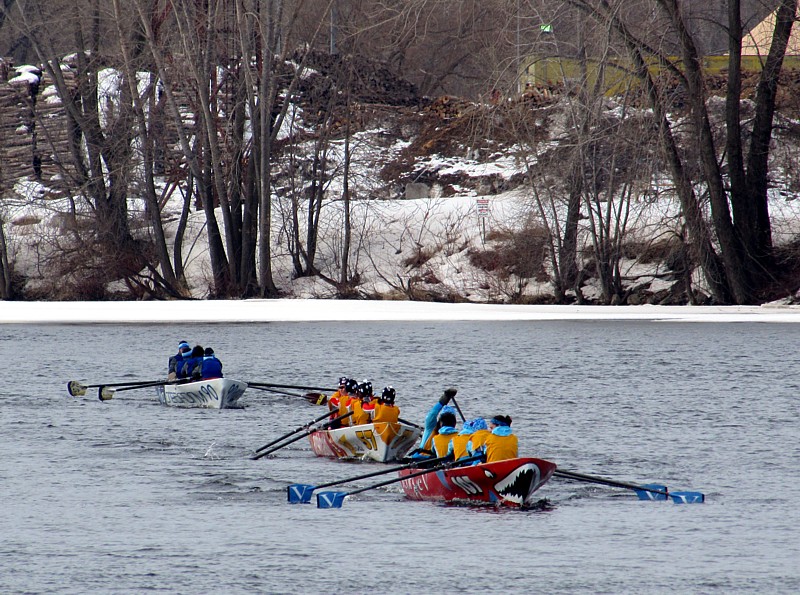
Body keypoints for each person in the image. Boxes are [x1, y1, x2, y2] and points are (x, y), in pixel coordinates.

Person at [412, 387, 458, 459]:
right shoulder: (431, 427)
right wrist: (445, 399)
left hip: (441, 462)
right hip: (423, 459)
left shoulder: (456, 435)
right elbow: (431, 415)